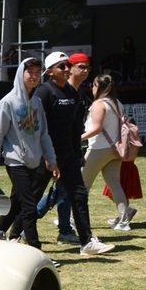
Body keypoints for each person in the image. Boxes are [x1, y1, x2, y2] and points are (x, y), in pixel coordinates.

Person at [35, 52, 113, 256]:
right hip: (47, 155)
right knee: (30, 197)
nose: (68, 69)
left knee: (78, 194)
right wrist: (45, 156)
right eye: (63, 66)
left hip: (68, 154)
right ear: (50, 71)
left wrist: (77, 152)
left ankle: (86, 240)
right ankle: (11, 233)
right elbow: (36, 126)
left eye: (69, 65)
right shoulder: (44, 92)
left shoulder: (73, 93)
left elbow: (75, 127)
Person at [0, 58, 60, 253]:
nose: (34, 76)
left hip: (34, 161)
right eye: (30, 72)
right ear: (21, 74)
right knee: (29, 205)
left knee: (18, 202)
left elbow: (43, 135)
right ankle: (36, 250)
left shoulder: (37, 103)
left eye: (37, 72)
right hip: (15, 160)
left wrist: (51, 160)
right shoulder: (7, 102)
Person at [80, 73, 133, 231]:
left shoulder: (99, 104)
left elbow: (95, 129)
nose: (92, 88)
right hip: (114, 150)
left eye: (94, 85)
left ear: (99, 87)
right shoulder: (117, 103)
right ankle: (124, 222)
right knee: (115, 185)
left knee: (82, 186)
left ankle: (72, 220)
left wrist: (78, 137)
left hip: (98, 149)